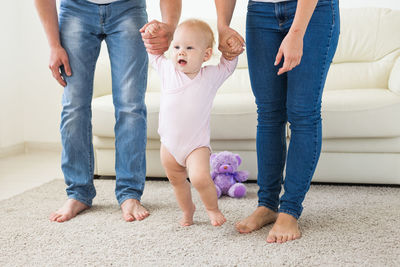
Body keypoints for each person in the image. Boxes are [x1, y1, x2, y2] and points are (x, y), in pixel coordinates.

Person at [34, 0, 181, 223]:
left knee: (130, 106)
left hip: (129, 8)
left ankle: (130, 193)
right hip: (76, 9)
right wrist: (54, 45)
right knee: (73, 106)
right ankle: (78, 193)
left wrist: (169, 27)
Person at [215, 0, 340, 243]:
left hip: (313, 11)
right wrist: (222, 26)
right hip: (260, 11)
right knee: (269, 113)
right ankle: (268, 205)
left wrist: (297, 31)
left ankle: (290, 210)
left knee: (303, 113)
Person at [144, 19, 240, 226]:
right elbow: (153, 52)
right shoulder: (167, 70)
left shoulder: (210, 76)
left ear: (206, 55)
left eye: (189, 48)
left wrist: (232, 49)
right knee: (177, 182)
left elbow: (228, 66)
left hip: (195, 146)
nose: (181, 52)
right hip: (168, 145)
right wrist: (152, 31)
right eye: (177, 47)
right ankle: (188, 211)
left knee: (199, 178)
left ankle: (212, 208)